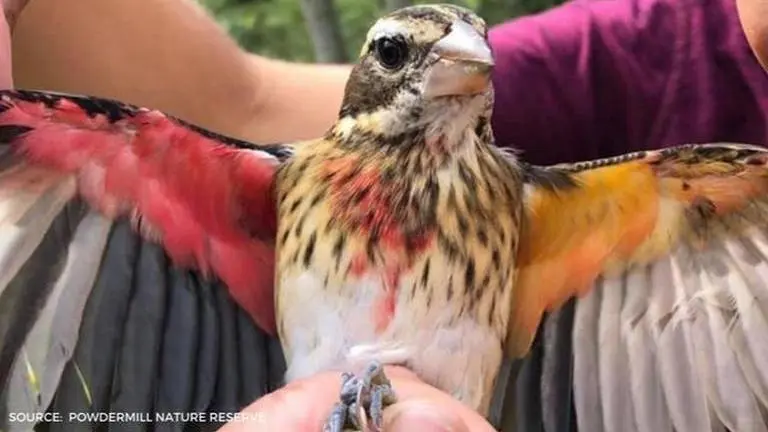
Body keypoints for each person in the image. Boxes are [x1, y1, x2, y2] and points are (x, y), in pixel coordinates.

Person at [2, 0, 768, 430]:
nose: (455, 64)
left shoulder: (579, 208)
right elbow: (240, 100)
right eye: (403, 55)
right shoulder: (636, 47)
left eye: (468, 56)